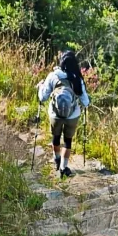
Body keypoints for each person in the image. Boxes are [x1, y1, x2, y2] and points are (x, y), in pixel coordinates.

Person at [37, 49, 90, 178]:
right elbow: (86, 102)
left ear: (61, 62)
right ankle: (63, 167)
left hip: (55, 114)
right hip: (72, 115)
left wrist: (40, 86)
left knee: (55, 137)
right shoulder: (77, 78)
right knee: (68, 140)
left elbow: (43, 98)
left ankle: (57, 159)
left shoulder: (53, 76)